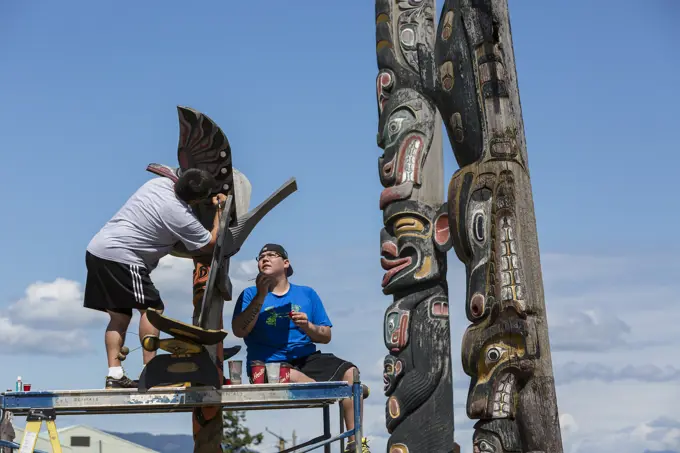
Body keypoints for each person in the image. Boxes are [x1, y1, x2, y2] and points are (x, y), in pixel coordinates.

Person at [83, 168, 227, 389]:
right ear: (197, 199)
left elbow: (171, 171)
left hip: (97, 250)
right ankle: (151, 372)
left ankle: (114, 374)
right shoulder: (179, 215)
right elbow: (209, 245)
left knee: (119, 317)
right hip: (122, 256)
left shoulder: (158, 184)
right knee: (152, 309)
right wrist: (219, 210)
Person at [231, 244, 371, 453]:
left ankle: (355, 443)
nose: (265, 259)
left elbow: (326, 336)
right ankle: (335, 392)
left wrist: (308, 326)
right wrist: (261, 296)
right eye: (261, 257)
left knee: (352, 374)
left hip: (306, 358)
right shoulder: (250, 294)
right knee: (308, 384)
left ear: (286, 263)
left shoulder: (306, 294)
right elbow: (239, 331)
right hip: (268, 364)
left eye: (271, 255)